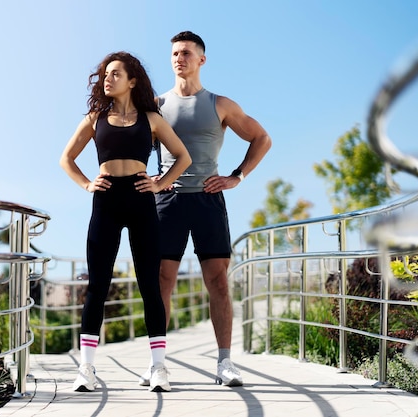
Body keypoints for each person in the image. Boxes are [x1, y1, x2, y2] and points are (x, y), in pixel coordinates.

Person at [139, 31, 272, 387]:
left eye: (185, 53)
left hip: (208, 199)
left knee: (217, 282)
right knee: (162, 281)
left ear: (201, 60)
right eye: (174, 54)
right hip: (167, 201)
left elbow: (262, 138)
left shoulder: (220, 104)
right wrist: (149, 179)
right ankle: (157, 364)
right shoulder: (155, 105)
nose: (178, 58)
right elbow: (131, 144)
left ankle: (225, 362)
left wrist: (237, 176)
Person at [60, 51, 192, 393]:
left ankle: (159, 368)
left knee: (149, 284)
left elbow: (183, 157)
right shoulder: (94, 117)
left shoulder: (151, 119)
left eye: (115, 73)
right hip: (106, 200)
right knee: (98, 285)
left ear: (132, 80)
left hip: (140, 199)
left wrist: (160, 184)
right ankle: (86, 369)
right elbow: (67, 159)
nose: (107, 78)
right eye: (105, 74)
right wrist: (88, 183)